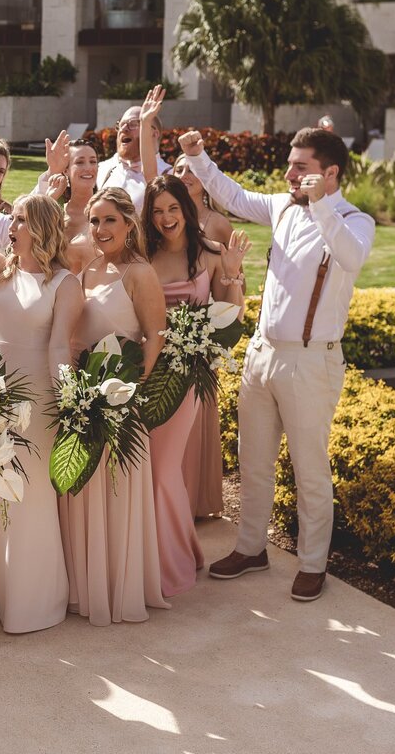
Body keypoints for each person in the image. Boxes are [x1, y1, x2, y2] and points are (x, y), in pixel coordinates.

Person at [179, 127, 374, 602]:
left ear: (330, 173)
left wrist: (322, 202)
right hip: (261, 355)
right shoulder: (284, 207)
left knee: (309, 469)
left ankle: (312, 564)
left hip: (312, 363)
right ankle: (251, 548)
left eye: (300, 167)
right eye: (290, 164)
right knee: (253, 461)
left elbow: (350, 256)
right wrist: (199, 157)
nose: (288, 174)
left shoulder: (354, 219)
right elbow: (234, 194)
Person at [60, 186, 169, 626]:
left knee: (115, 492)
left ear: (128, 224)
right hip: (83, 399)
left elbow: (154, 335)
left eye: (110, 220)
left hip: (120, 404)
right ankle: (84, 586)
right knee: (83, 489)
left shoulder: (139, 272)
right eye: (95, 221)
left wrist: (128, 391)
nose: (101, 229)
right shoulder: (88, 269)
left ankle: (116, 588)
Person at [141, 172, 249, 597]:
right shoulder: (143, 256)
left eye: (173, 208)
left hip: (185, 377)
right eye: (158, 211)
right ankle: (176, 548)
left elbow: (230, 318)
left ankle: (172, 564)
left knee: (165, 468)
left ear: (186, 210)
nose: (167, 217)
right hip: (145, 374)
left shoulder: (210, 253)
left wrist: (234, 273)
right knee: (146, 468)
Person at [0, 194, 83, 633]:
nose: (12, 224)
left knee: (30, 497)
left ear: (40, 227)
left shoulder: (64, 283)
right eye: (12, 217)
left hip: (37, 404)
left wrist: (70, 404)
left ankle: (34, 602)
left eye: (21, 219)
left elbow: (61, 345)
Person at [169, 152, 234, 519]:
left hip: (197, 350)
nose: (184, 174)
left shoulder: (217, 227)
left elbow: (229, 289)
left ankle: (193, 503)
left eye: (192, 168)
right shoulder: (159, 233)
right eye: (178, 169)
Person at [39, 132, 100, 274]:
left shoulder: (107, 211)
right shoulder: (56, 210)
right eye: (80, 162)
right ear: (65, 169)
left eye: (93, 161)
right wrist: (50, 199)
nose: (88, 167)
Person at [95, 99, 171, 211]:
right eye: (120, 125)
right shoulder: (101, 168)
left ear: (153, 133)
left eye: (133, 124)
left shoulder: (169, 175)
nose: (124, 129)